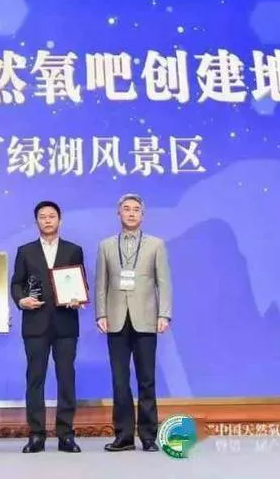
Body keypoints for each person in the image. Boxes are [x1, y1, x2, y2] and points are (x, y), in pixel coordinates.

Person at [94, 193, 173, 452]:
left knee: (146, 380)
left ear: (142, 214)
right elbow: (101, 283)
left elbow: (164, 282)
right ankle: (124, 436)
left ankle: (149, 436)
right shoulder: (106, 245)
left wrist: (164, 314)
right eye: (126, 209)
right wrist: (101, 314)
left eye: (136, 209)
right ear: (119, 213)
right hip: (115, 319)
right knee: (120, 380)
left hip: (146, 319)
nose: (131, 213)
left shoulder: (156, 245)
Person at [10, 201, 84, 453]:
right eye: (43, 217)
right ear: (37, 222)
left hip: (65, 324)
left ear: (59, 220)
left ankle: (66, 435)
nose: (48, 220)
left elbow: (79, 282)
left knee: (66, 379)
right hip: (35, 324)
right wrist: (21, 300)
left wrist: (77, 298)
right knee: (35, 380)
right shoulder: (25, 251)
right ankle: (36, 435)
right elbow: (16, 283)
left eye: (52, 216)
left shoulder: (73, 250)